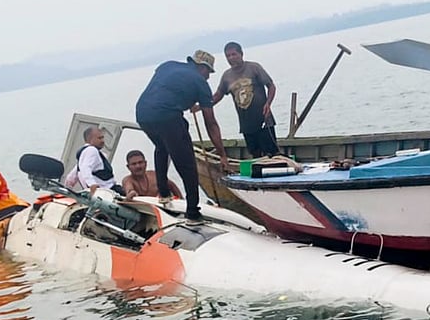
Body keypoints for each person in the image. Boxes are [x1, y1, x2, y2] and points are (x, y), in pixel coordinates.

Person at [135, 50, 228, 224]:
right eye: (209, 73)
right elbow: (211, 123)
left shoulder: (167, 65)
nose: (208, 77)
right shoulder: (201, 83)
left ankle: (164, 193)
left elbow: (167, 88)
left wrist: (186, 98)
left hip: (142, 114)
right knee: (187, 163)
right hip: (167, 116)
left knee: (162, 146)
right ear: (202, 68)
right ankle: (193, 212)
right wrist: (222, 155)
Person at [211, 41, 280, 158]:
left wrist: (268, 103)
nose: (231, 58)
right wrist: (202, 105)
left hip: (263, 119)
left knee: (271, 153)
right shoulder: (226, 76)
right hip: (246, 123)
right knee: (255, 154)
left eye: (234, 54)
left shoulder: (254, 68)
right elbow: (218, 94)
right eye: (228, 56)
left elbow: (271, 86)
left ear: (241, 54)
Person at [63, 126, 125, 195]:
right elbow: (86, 168)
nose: (103, 141)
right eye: (99, 138)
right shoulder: (92, 150)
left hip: (100, 192)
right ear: (90, 139)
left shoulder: (83, 155)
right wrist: (92, 184)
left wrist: (66, 190)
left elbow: (71, 177)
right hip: (108, 191)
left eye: (103, 137)